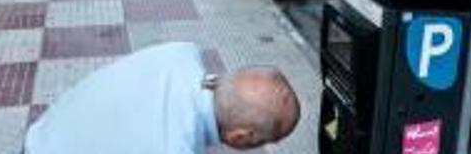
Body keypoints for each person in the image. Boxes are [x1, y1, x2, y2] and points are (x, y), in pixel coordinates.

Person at [24, 42, 300, 154]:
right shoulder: (172, 146)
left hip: (45, 134)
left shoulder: (181, 52)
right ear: (240, 138)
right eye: (269, 141)